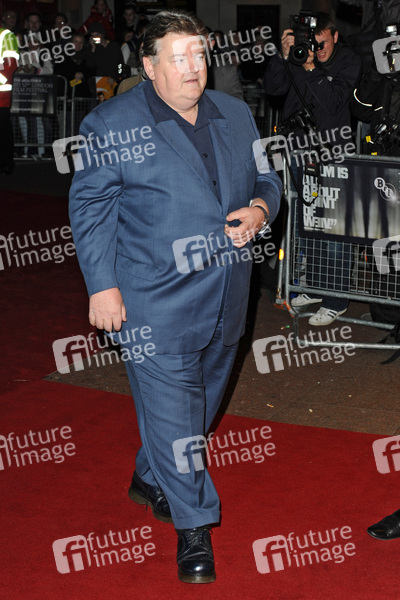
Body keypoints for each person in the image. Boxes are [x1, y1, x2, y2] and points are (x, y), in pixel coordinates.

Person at [69, 9, 281, 584]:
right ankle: (194, 525)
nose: (193, 68)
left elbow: (268, 178)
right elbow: (89, 210)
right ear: (148, 65)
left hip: (228, 292)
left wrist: (260, 209)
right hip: (153, 301)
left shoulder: (235, 113)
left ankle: (149, 475)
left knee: (200, 406)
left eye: (200, 55)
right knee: (177, 417)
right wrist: (102, 287)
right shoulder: (111, 124)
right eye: (178, 57)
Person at [264, 12, 361, 326]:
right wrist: (283, 56)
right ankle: (317, 287)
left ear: (334, 36)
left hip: (334, 153)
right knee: (307, 226)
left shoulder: (348, 61)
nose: (317, 50)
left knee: (334, 230)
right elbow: (273, 88)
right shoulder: (298, 54)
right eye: (312, 43)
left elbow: (334, 102)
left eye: (322, 43)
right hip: (299, 151)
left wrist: (309, 68)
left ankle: (336, 300)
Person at [0, 25, 19, 173]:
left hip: (1, 95)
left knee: (3, 129)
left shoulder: (6, 35)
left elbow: (11, 65)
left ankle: (6, 162)